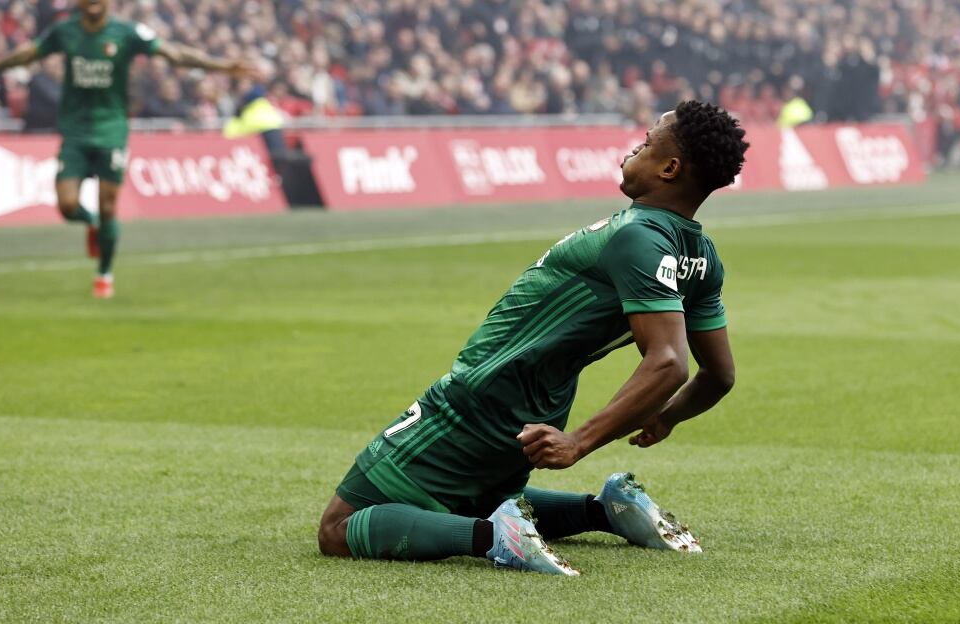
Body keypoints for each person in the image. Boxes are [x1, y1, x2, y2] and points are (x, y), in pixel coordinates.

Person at [318, 101, 748, 575]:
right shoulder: (701, 255)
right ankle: (605, 510)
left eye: (646, 143)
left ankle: (496, 539)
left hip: (479, 398)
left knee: (340, 526)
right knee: (471, 497)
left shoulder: (639, 237)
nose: (635, 147)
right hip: (539, 407)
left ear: (669, 167)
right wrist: (666, 418)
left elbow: (669, 362)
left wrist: (578, 443)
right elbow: (720, 375)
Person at [0, 0, 255, 298]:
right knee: (67, 205)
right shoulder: (64, 31)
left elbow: (174, 53)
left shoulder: (127, 33)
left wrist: (223, 66)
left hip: (111, 130)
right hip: (75, 131)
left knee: (109, 205)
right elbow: (28, 52)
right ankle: (92, 224)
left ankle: (104, 275)